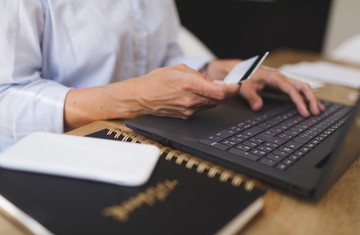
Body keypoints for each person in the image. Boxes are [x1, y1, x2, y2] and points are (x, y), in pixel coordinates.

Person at [0, 0, 324, 149]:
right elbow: (6, 97)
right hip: (56, 152)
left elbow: (164, 56)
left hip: (148, 139)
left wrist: (213, 70)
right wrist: (137, 97)